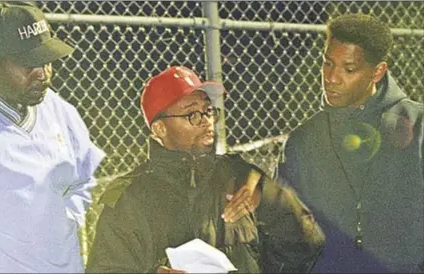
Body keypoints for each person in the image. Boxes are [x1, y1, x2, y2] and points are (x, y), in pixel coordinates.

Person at [86, 65, 325, 273]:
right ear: (159, 130)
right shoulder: (131, 197)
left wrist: (271, 201)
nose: (206, 120)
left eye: (209, 110)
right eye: (192, 114)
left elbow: (307, 244)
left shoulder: (241, 175)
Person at [0, 2, 105, 273]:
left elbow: (86, 177)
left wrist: (60, 221)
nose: (43, 73)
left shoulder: (60, 110)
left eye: (47, 61)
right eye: (29, 64)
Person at [278, 14, 424, 273]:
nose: (331, 78)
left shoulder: (418, 126)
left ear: (377, 72)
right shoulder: (303, 141)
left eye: (349, 69)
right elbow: (283, 232)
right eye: (327, 63)